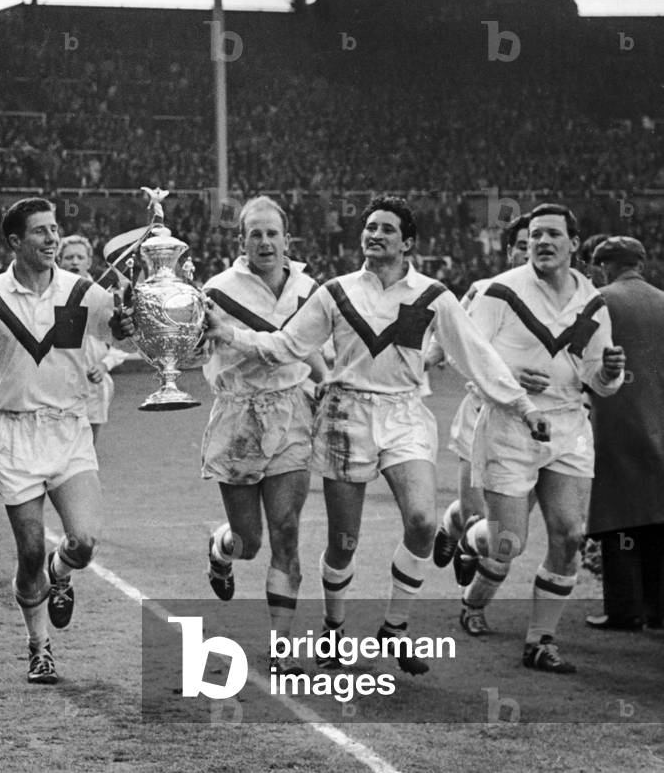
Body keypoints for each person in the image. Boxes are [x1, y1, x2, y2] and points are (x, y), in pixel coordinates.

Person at [203, 195, 546, 676]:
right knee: (345, 541)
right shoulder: (336, 292)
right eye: (369, 227)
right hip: (348, 416)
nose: (374, 235)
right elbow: (286, 346)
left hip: (405, 415)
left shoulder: (433, 295)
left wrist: (523, 406)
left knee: (424, 521)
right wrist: (230, 334)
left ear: (407, 242)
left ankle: (395, 628)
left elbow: (477, 356)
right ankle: (333, 633)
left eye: (386, 229)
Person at [0, 197, 131, 685]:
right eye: (40, 232)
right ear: (14, 242)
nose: (52, 239)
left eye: (55, 230)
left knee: (85, 542)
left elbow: (120, 334)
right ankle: (39, 646)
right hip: (16, 434)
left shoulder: (83, 291)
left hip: (69, 430)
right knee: (28, 553)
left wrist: (130, 322)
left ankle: (62, 569)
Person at [454, 204, 625, 673]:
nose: (542, 242)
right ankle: (470, 558)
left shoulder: (592, 303)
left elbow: (596, 376)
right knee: (507, 544)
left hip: (568, 427)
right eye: (534, 236)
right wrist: (508, 376)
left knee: (570, 536)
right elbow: (467, 358)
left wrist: (610, 373)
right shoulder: (500, 292)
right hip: (510, 426)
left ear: (574, 243)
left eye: (552, 234)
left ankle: (540, 641)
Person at [199, 196, 326, 673]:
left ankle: (282, 645)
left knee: (287, 531)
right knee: (250, 541)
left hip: (292, 412)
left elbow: (310, 347)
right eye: (256, 234)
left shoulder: (309, 288)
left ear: (287, 240)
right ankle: (221, 548)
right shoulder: (216, 291)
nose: (265, 242)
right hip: (238, 416)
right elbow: (197, 352)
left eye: (273, 233)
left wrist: (327, 378)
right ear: (242, 241)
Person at [431, 215, 532, 583]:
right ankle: (453, 523)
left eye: (533, 243)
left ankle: (473, 559)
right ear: (509, 252)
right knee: (474, 513)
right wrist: (430, 358)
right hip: (482, 412)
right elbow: (451, 337)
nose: (528, 252)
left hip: (533, 425)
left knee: (504, 527)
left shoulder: (563, 299)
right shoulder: (484, 290)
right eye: (521, 245)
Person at [585, 236, 664, 630]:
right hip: (659, 422)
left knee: (617, 515)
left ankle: (624, 608)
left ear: (607, 266)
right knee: (656, 515)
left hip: (613, 421)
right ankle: (658, 609)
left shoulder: (599, 300)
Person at [56, 235, 128, 443]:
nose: (75, 262)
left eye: (80, 257)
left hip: (93, 381)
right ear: (59, 261)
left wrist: (105, 365)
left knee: (87, 448)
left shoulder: (103, 295)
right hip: (58, 383)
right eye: (69, 257)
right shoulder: (49, 294)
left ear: (89, 261)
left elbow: (122, 337)